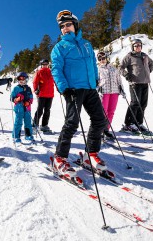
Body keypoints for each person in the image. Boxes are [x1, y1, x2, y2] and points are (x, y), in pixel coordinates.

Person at [50, 9, 108, 179]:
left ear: (75, 25)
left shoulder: (87, 44)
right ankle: (59, 158)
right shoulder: (59, 47)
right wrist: (64, 88)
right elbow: (57, 69)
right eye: (62, 26)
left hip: (90, 88)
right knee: (72, 123)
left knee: (99, 120)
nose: (65, 28)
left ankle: (91, 154)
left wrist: (96, 79)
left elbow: (93, 64)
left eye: (68, 25)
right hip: (74, 90)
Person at [119, 38, 153, 134]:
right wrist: (126, 75)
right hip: (135, 83)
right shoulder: (129, 56)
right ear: (133, 47)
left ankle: (138, 123)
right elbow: (120, 67)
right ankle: (128, 124)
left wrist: (147, 72)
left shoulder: (145, 56)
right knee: (135, 103)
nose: (138, 47)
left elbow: (151, 63)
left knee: (143, 104)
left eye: (139, 45)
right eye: (136, 45)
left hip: (145, 83)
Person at [96, 51, 125, 140]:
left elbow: (119, 80)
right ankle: (100, 130)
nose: (102, 60)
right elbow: (96, 81)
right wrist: (97, 88)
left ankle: (106, 129)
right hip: (104, 92)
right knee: (104, 112)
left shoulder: (113, 68)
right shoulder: (98, 69)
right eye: (100, 59)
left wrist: (122, 89)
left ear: (106, 58)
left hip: (115, 92)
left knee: (111, 111)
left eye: (103, 58)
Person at [10, 72, 34, 143]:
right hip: (19, 108)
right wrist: (17, 99)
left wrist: (28, 102)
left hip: (27, 108)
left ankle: (28, 135)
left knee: (28, 122)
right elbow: (12, 97)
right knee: (18, 122)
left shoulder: (28, 88)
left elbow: (31, 98)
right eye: (19, 79)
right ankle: (16, 136)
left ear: (26, 79)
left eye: (23, 79)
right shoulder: (16, 88)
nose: (21, 80)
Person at [32, 59, 55, 133]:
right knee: (40, 110)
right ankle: (35, 125)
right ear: (41, 65)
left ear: (48, 65)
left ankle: (44, 126)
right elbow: (35, 82)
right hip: (41, 94)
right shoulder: (39, 72)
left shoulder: (51, 72)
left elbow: (55, 81)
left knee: (47, 111)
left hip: (50, 94)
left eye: (46, 64)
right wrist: (35, 90)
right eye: (43, 64)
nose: (45, 65)